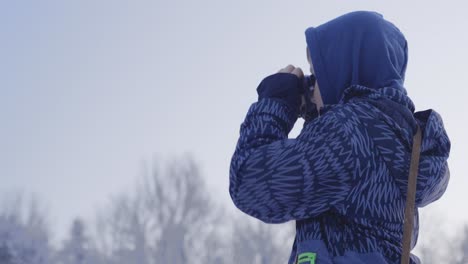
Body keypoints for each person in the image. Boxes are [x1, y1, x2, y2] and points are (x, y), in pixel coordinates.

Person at [229, 11, 450, 264]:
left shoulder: (349, 134)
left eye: (318, 72)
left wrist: (276, 103)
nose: (312, 84)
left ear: (343, 70)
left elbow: (251, 182)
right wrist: (314, 110)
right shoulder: (397, 137)